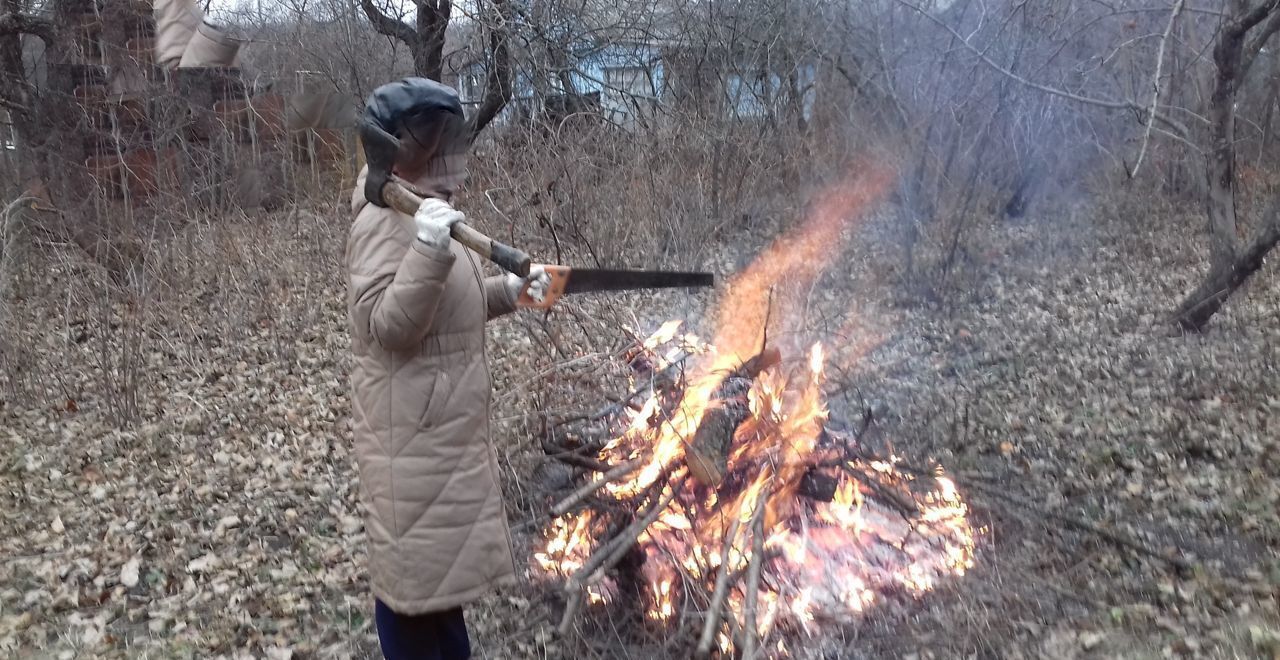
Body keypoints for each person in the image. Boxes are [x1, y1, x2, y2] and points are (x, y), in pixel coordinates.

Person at [345, 77, 550, 660]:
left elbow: (445, 312)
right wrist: (429, 251)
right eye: (443, 146)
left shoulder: (429, 217)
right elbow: (390, 328)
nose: (457, 161)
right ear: (406, 151)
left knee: (440, 596)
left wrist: (509, 292)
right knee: (411, 598)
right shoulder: (383, 225)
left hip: (441, 442)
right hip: (411, 443)